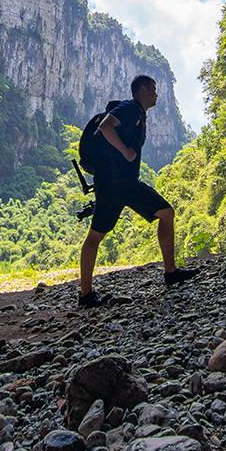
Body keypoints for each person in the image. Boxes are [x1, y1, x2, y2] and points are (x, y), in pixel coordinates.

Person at [78, 74, 198, 308]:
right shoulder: (130, 108)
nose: (156, 94)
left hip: (126, 184)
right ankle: (85, 294)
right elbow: (105, 126)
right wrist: (125, 151)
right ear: (142, 90)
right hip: (113, 184)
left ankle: (171, 272)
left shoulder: (138, 114)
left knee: (166, 212)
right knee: (95, 236)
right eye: (153, 89)